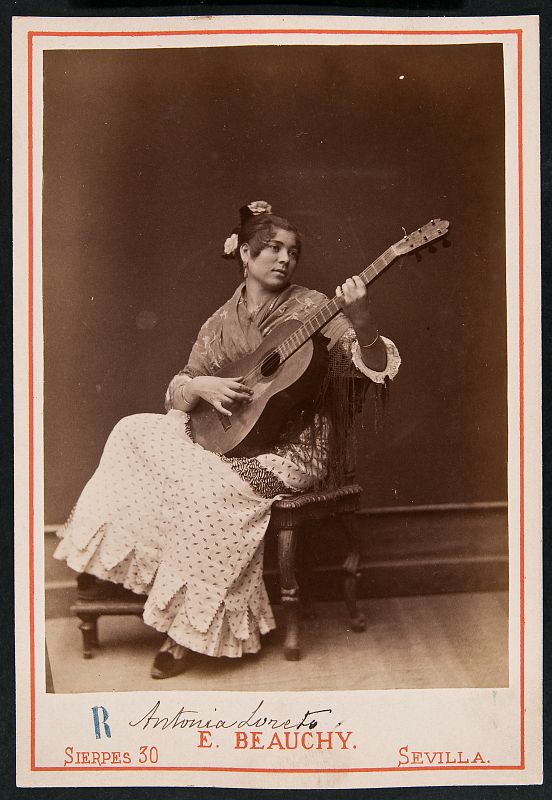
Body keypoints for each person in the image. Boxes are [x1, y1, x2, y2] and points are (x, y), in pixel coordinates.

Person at [54, 201, 401, 679]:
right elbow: (178, 393)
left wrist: (362, 320)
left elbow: (375, 369)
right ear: (244, 253)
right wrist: (201, 386)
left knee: (208, 487)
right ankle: (142, 576)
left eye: (293, 252)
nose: (285, 258)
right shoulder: (219, 322)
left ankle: (187, 631)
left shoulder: (314, 307)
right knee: (131, 430)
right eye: (272, 248)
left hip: (293, 450)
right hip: (230, 442)